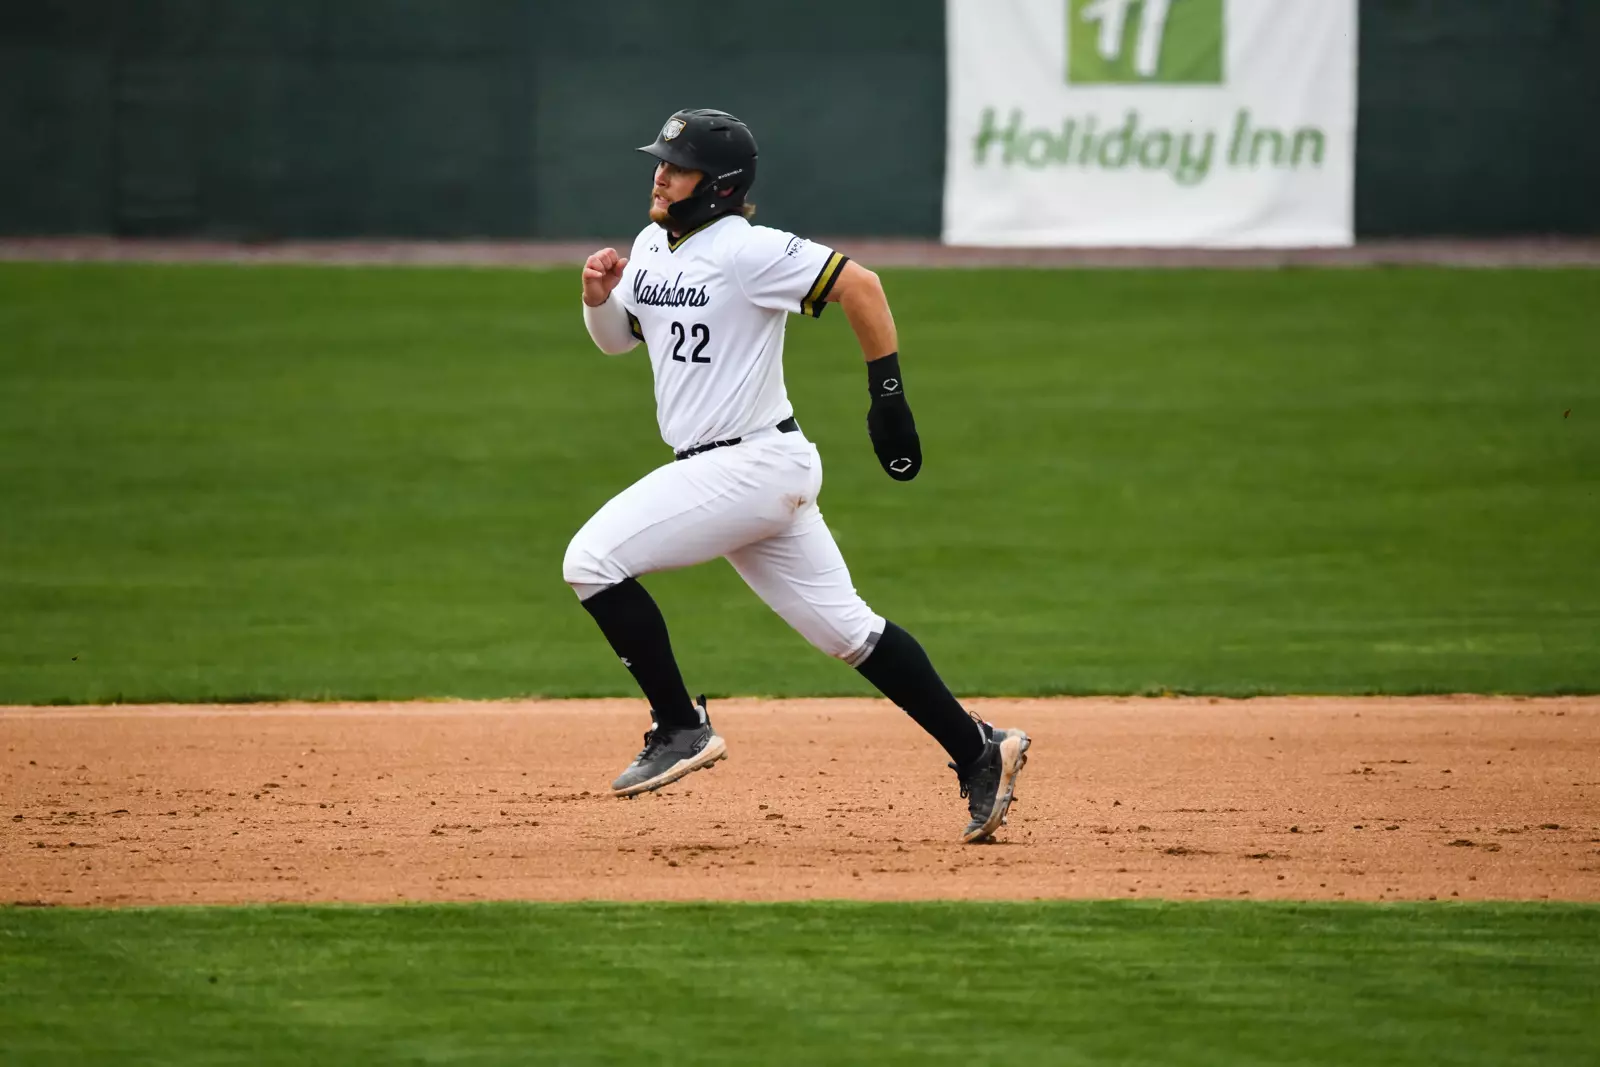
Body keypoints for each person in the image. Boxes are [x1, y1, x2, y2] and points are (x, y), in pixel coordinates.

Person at [566, 108, 1030, 842]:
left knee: (591, 560)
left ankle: (681, 725)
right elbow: (620, 342)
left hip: (749, 462)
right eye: (660, 159)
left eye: (677, 164)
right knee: (851, 632)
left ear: (718, 185)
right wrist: (598, 298)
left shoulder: (749, 250)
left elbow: (863, 286)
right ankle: (979, 750)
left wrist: (888, 399)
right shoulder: (652, 244)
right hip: (746, 470)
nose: (660, 172)